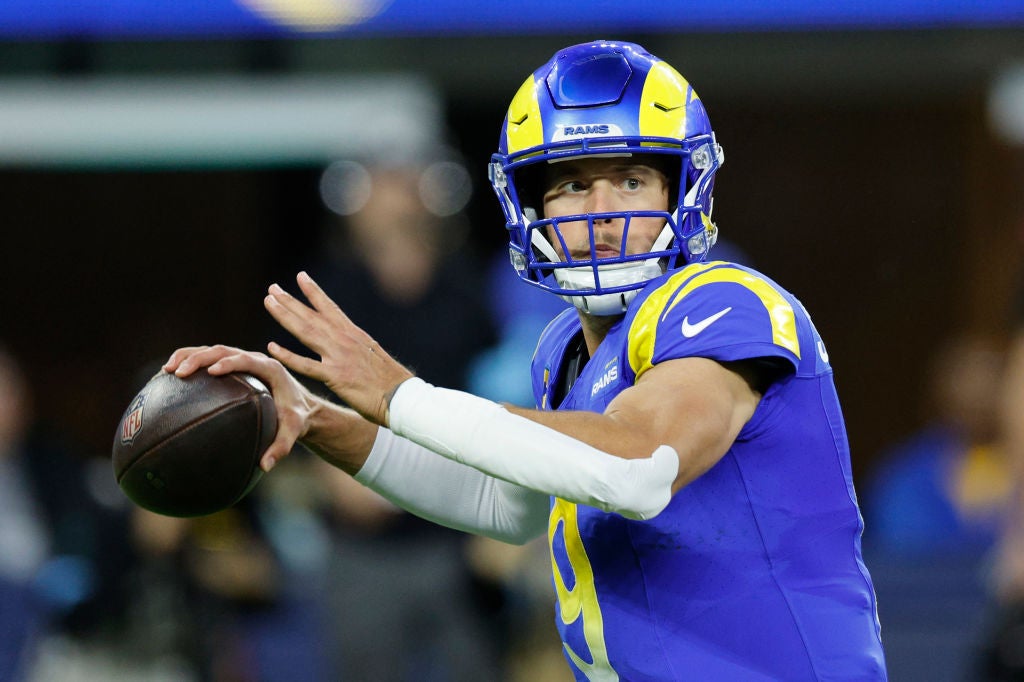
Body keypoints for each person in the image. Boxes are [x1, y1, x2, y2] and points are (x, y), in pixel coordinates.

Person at [164, 41, 888, 680]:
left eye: (631, 179)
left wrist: (398, 394)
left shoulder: (723, 300)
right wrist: (318, 419)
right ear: (530, 206)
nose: (602, 210)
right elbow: (500, 503)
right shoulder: (564, 350)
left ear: (682, 186)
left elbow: (637, 468)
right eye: (573, 183)